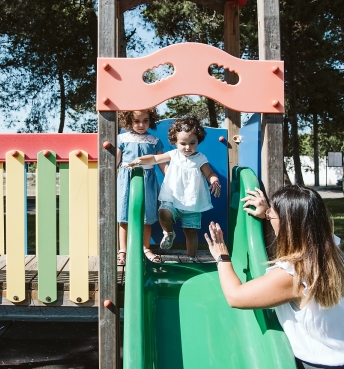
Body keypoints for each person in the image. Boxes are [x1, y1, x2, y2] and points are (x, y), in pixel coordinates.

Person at [204, 185, 344, 369]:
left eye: (272, 215)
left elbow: (235, 296)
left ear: (288, 224)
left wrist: (221, 255)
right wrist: (267, 213)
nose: (269, 216)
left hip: (318, 364)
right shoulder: (331, 248)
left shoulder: (295, 273)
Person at [126, 115, 221, 263]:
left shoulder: (200, 158)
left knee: (190, 232)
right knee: (163, 214)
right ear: (175, 142)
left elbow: (209, 173)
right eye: (183, 143)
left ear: (198, 141)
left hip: (192, 201)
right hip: (172, 197)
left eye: (192, 143)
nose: (188, 147)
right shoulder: (174, 155)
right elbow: (155, 159)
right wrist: (139, 160)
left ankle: (191, 257)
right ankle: (169, 233)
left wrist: (214, 180)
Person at [116, 109, 168, 265]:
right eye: (136, 121)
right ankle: (123, 250)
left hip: (147, 179)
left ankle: (146, 248)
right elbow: (115, 161)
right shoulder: (122, 138)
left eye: (145, 121)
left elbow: (161, 162)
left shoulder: (154, 140)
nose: (141, 125)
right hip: (127, 178)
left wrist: (171, 176)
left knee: (147, 214)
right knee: (124, 214)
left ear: (150, 121)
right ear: (128, 121)